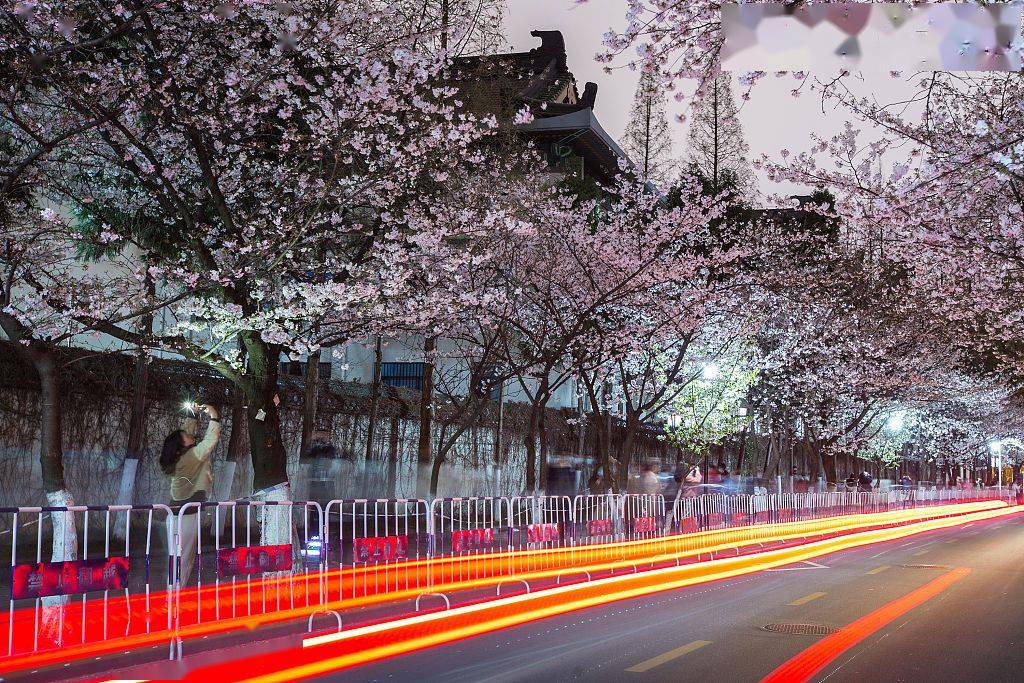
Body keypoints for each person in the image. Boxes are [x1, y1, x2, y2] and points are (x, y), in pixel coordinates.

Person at [162, 403, 221, 585]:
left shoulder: (181, 456)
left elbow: (186, 434)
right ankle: (175, 595)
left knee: (181, 558)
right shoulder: (189, 458)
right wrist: (214, 416)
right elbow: (209, 442)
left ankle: (175, 593)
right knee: (183, 559)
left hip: (181, 514)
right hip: (184, 517)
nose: (191, 436)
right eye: (187, 437)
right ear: (181, 446)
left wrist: (193, 416)